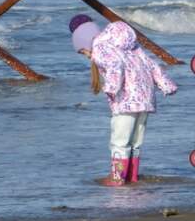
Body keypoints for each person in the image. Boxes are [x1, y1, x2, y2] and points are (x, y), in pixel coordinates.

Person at [70, 14, 177, 187]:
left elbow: (115, 65)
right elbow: (152, 65)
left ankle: (117, 177)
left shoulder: (100, 48)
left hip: (125, 100)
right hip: (145, 99)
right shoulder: (131, 46)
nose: (87, 56)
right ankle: (131, 176)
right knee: (135, 141)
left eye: (83, 51)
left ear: (85, 41)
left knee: (119, 140)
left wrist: (111, 88)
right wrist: (166, 85)